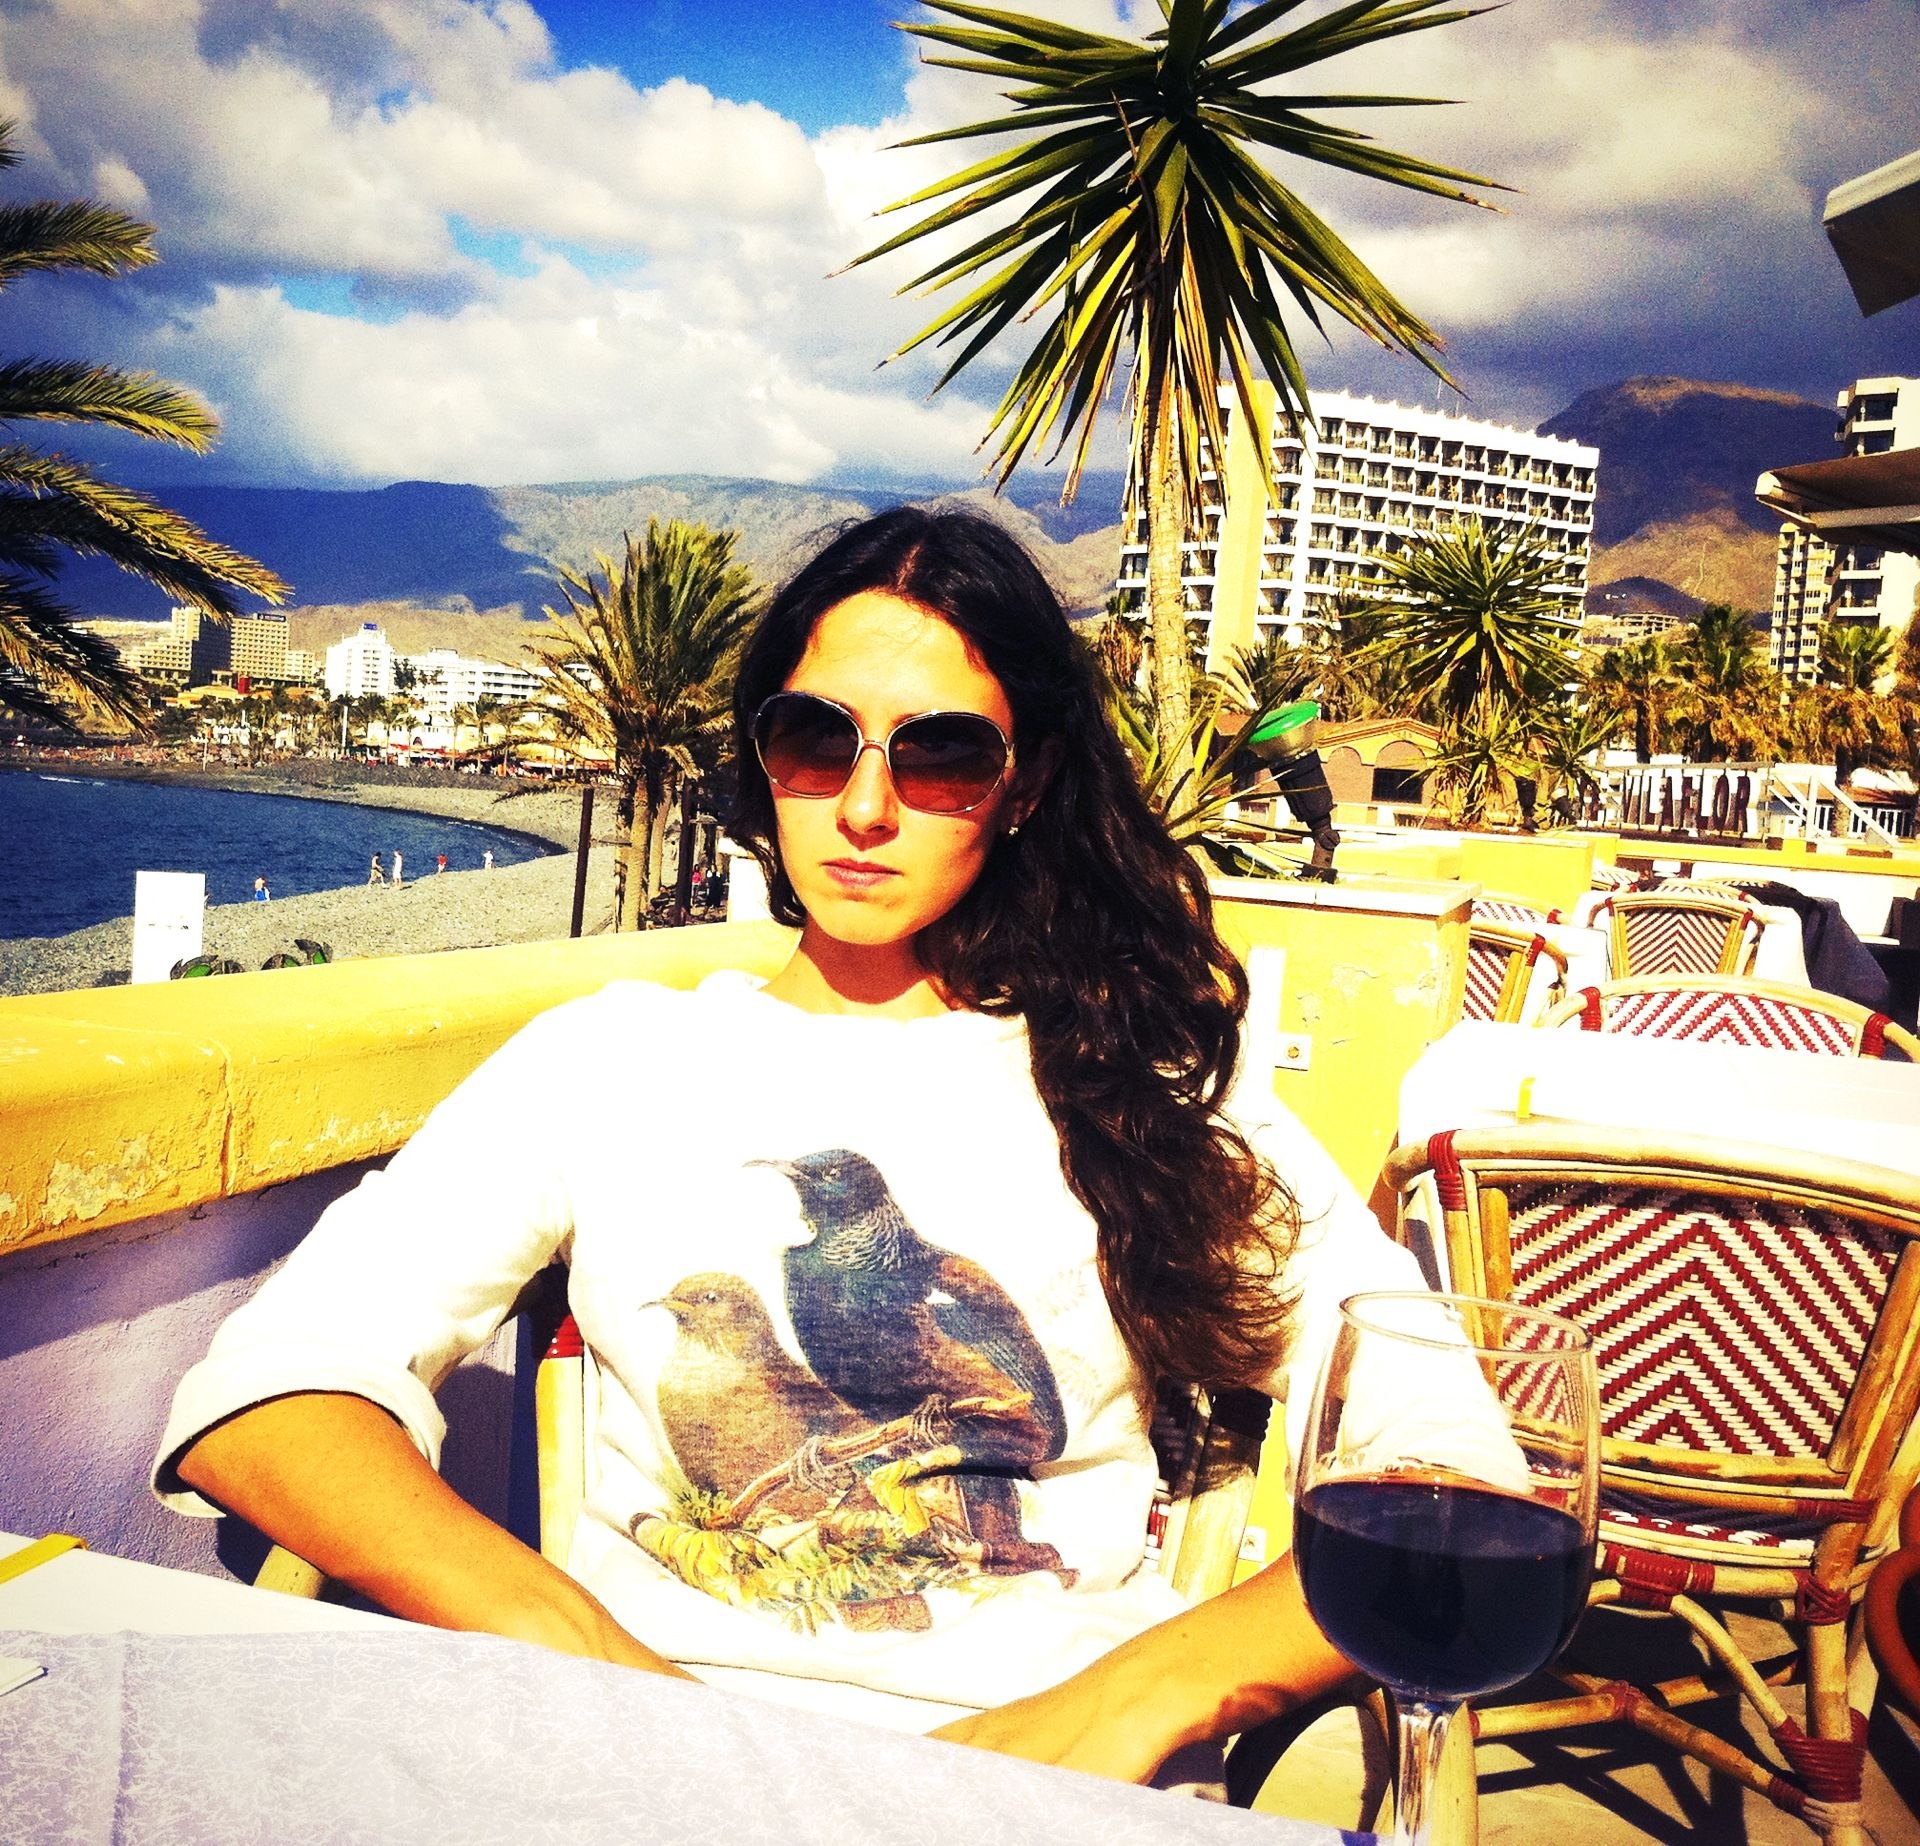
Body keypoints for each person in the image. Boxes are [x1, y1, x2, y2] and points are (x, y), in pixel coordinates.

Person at [152, 509, 1460, 1789]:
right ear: (764, 756)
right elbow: (265, 1401)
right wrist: (590, 1658)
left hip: (1036, 1786)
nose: (866, 806)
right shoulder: (611, 1060)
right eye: (817, 738)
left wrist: (1135, 1698)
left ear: (1023, 785)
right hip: (638, 1769)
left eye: (942, 755)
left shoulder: (1137, 1096)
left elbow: (1458, 1469)